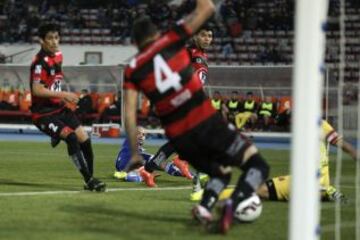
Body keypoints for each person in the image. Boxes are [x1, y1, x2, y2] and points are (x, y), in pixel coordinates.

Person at [123, 0, 270, 234]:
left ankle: (204, 207)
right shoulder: (171, 39)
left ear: (135, 43)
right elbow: (208, 8)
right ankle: (234, 202)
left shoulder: (131, 69)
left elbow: (129, 115)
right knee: (257, 164)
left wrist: (133, 152)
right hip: (205, 120)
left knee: (220, 172)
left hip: (180, 136)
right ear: (157, 34)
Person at [29, 23, 105, 192]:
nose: (54, 41)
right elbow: (37, 90)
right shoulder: (39, 63)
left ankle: (89, 180)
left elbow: (55, 80)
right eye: (50, 38)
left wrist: (65, 97)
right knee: (71, 138)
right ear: (41, 40)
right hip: (43, 114)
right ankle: (90, 179)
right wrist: (64, 94)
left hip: (60, 109)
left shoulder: (59, 56)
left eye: (56, 37)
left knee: (85, 139)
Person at [217, 120, 356, 203]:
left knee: (258, 189)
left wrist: (355, 153)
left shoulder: (318, 124)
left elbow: (341, 143)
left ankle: (213, 194)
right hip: (308, 179)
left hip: (307, 181)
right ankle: (324, 191)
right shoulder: (315, 124)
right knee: (262, 188)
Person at [113, 126, 192, 187]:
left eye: (143, 134)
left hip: (131, 167)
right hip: (132, 166)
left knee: (157, 162)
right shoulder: (131, 145)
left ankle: (186, 173)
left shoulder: (127, 149)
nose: (141, 136)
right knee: (159, 161)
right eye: (139, 133)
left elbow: (119, 163)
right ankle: (187, 172)